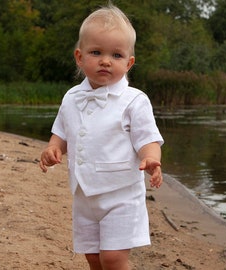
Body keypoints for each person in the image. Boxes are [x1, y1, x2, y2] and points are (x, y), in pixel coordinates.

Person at [40, 4, 164, 270]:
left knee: (113, 258)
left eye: (116, 55)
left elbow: (147, 138)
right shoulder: (72, 97)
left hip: (121, 195)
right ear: (79, 57)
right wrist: (53, 149)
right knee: (93, 257)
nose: (106, 60)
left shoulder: (134, 101)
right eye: (96, 52)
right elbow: (61, 131)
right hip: (84, 195)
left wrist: (151, 158)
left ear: (129, 62)